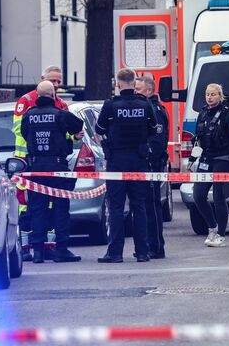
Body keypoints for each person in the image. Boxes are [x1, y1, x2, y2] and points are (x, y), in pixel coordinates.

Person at [95, 69, 158, 263]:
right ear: (134, 82)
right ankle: (142, 252)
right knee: (139, 206)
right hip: (139, 160)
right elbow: (153, 129)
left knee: (116, 207)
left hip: (117, 162)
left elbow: (99, 128)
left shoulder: (110, 105)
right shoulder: (145, 104)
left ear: (118, 84)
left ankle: (115, 253)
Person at [20, 81, 85, 263]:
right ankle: (61, 250)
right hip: (57, 168)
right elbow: (77, 126)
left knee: (37, 210)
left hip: (36, 168)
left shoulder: (28, 115)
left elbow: (24, 134)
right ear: (54, 95)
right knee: (60, 209)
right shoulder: (60, 114)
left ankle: (38, 252)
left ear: (37, 95)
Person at [12, 65, 69, 261]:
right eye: (52, 80)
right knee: (26, 205)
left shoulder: (61, 104)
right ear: (42, 79)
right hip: (25, 161)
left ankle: (47, 247)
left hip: (48, 162)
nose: (56, 84)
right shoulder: (26, 101)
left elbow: (66, 132)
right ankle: (25, 247)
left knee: (50, 204)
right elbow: (19, 130)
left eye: (58, 81)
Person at [187, 83, 229, 247]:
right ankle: (212, 227)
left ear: (220, 96)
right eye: (207, 94)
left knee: (218, 196)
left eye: (213, 94)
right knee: (198, 195)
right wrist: (192, 159)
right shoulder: (202, 114)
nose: (209, 97)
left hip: (223, 159)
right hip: (205, 159)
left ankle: (221, 235)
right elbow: (198, 140)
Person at [135, 75, 169, 259]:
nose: (135, 93)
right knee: (146, 204)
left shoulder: (155, 110)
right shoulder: (146, 108)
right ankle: (150, 244)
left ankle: (156, 246)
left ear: (149, 91)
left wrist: (148, 158)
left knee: (152, 205)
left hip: (152, 164)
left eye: (138, 90)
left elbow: (157, 142)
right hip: (147, 163)